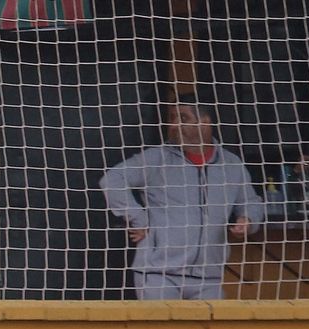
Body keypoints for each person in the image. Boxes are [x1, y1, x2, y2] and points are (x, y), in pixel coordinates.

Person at [100, 98, 265, 301]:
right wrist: (137, 218)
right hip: (158, 274)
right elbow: (112, 180)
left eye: (183, 118)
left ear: (205, 121)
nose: (175, 125)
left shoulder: (231, 164)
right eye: (172, 118)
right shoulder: (156, 158)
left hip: (209, 277)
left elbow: (250, 202)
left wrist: (248, 221)